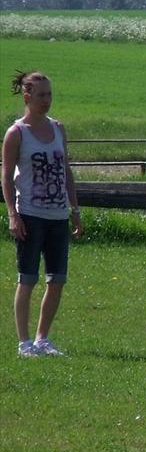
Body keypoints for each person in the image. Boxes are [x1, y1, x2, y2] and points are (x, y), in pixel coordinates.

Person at [3, 71, 83, 357]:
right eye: (41, 95)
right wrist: (13, 213)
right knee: (27, 279)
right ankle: (24, 343)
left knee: (57, 279)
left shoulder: (58, 129)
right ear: (27, 97)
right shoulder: (16, 133)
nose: (47, 100)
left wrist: (75, 210)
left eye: (49, 94)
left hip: (58, 215)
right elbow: (5, 176)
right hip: (31, 215)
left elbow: (67, 173)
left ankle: (42, 339)